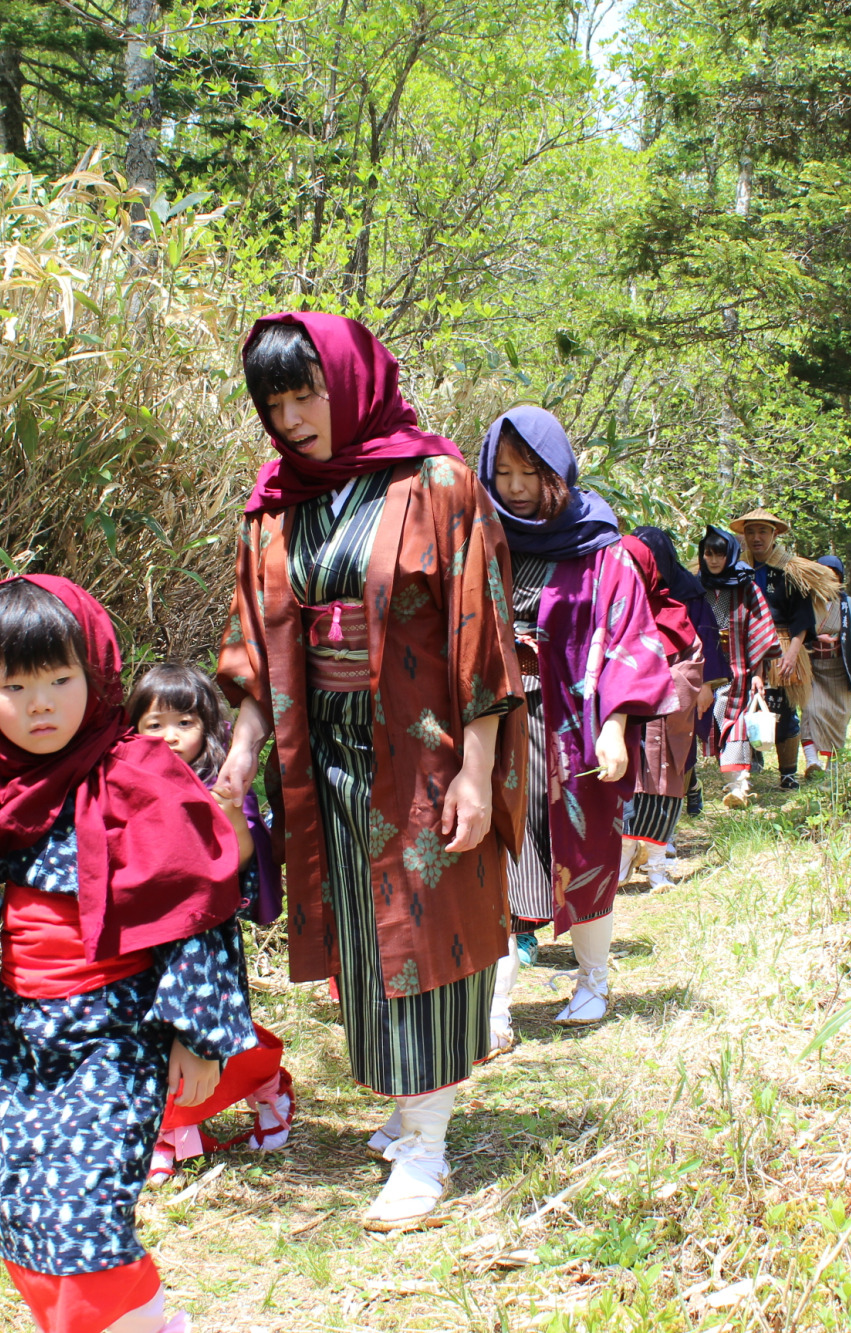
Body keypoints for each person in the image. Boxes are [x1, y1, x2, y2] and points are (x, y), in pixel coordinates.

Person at [215, 312, 526, 1232]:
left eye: (307, 392)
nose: (294, 417)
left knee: (423, 935)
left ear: (350, 380)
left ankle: (428, 1150)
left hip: (422, 748)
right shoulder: (278, 506)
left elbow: (483, 636)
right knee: (364, 933)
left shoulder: (438, 484)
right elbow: (255, 648)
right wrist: (239, 754)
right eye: (276, 402)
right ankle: (406, 1106)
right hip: (325, 755)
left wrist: (477, 770)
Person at [0, 575, 256, 1333]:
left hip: (118, 1030)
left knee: (84, 1221)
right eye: (13, 684)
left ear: (98, 673)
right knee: (24, 1222)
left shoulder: (142, 772)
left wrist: (196, 1033)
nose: (41, 703)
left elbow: (198, 908)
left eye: (61, 678)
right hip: (27, 1033)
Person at [479, 406, 675, 1036]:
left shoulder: (602, 551)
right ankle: (495, 1011)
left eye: (528, 472)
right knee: (497, 856)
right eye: (502, 471)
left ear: (556, 472)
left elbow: (628, 638)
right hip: (494, 725)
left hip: (574, 731)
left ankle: (594, 982)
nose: (513, 487)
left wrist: (616, 725)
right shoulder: (482, 539)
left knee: (584, 853)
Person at [128, 663, 296, 1182]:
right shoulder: (123, 781)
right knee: (145, 1029)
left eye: (184, 723)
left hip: (205, 938)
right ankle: (167, 1132)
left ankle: (268, 1084)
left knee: (210, 1030)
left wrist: (224, 811)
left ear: (208, 729)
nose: (169, 737)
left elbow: (243, 857)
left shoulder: (221, 783)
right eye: (154, 724)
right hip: (144, 936)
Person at [625, 526, 730, 882]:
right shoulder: (619, 603)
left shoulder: (689, 595)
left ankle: (659, 847)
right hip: (629, 715)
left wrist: (704, 685)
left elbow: (703, 641)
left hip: (674, 705)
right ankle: (625, 858)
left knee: (673, 768)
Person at [730, 508, 839, 787]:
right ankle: (744, 771)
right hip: (745, 647)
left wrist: (792, 653)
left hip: (784, 646)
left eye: (763, 531)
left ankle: (787, 773)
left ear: (774, 533)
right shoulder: (739, 569)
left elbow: (802, 619)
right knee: (744, 707)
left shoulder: (792, 572)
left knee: (785, 709)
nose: (756, 537)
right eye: (751, 531)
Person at [697, 526, 781, 807]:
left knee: (737, 723)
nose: (714, 560)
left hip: (740, 668)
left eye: (719, 554)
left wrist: (759, 673)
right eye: (708, 553)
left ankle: (738, 786)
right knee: (710, 720)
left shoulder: (747, 585)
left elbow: (760, 630)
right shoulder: (697, 585)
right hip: (705, 667)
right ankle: (693, 785)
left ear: (730, 554)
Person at [795, 555, 851, 775]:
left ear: (840, 576)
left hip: (840, 666)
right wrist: (817, 638)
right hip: (813, 667)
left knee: (839, 714)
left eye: (833, 573)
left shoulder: (848, 604)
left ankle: (833, 766)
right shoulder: (807, 601)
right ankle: (812, 762)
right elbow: (797, 630)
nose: (828, 577)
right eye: (823, 572)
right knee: (810, 710)